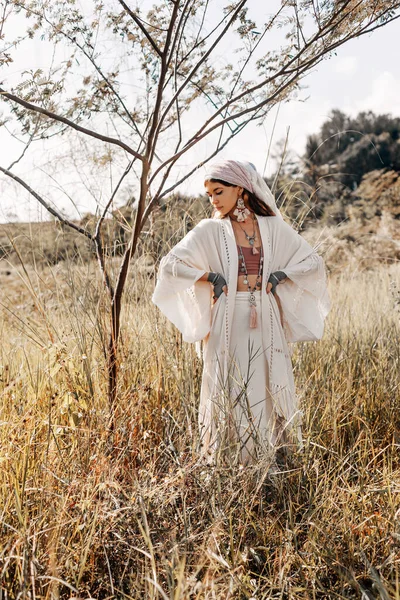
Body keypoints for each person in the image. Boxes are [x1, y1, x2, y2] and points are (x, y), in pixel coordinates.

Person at [152, 159, 330, 466]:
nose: (214, 200)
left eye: (219, 191)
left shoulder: (273, 227)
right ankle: (227, 462)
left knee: (263, 382)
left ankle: (266, 461)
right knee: (228, 381)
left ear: (241, 189)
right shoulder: (210, 230)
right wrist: (210, 278)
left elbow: (313, 263)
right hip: (227, 318)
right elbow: (170, 265)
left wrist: (280, 275)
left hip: (265, 317)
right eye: (209, 195)